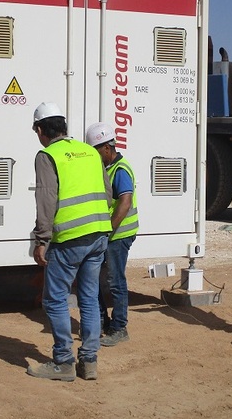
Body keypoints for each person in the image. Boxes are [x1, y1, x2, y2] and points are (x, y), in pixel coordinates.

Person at [27, 102, 112, 382]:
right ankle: (89, 362)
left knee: (54, 300)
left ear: (41, 130)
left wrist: (41, 240)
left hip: (70, 239)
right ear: (63, 126)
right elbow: (108, 193)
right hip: (99, 234)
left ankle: (63, 361)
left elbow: (46, 199)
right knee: (88, 298)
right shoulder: (89, 151)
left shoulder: (47, 155)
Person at [85, 122, 139, 347]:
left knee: (116, 281)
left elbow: (124, 203)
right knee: (96, 281)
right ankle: (102, 323)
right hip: (109, 235)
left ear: (107, 148)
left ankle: (119, 327)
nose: (95, 156)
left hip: (118, 235)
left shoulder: (120, 169)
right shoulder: (106, 169)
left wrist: (108, 232)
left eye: (96, 151)